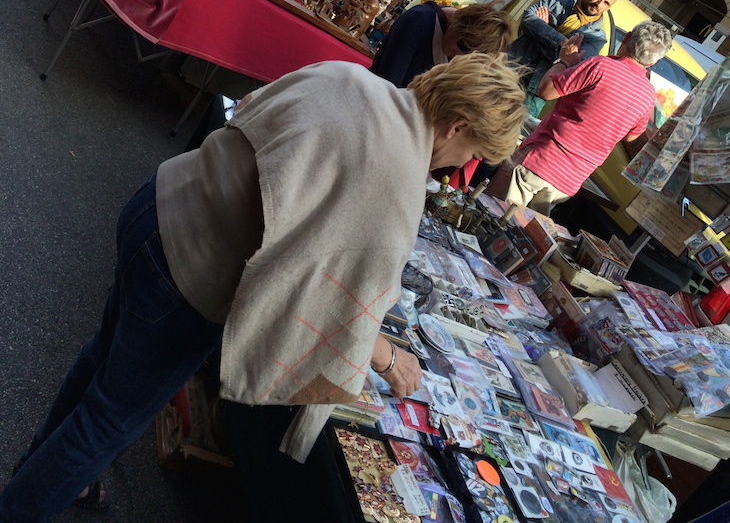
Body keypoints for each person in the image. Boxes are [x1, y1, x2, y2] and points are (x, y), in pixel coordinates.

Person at [0, 54, 525, 520]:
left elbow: (248, 113)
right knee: (107, 421)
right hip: (188, 271)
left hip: (160, 203)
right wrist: (387, 358)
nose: (461, 168)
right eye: (472, 153)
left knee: (102, 360)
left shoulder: (352, 77)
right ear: (457, 127)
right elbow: (335, 296)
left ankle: (40, 471)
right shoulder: (399, 180)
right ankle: (27, 501)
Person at [488, 21, 672, 214]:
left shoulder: (601, 66)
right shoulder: (648, 96)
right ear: (653, 62)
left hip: (540, 160)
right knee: (522, 235)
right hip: (568, 182)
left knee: (491, 215)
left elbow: (546, 90)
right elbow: (631, 137)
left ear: (625, 37)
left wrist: (564, 61)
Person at [509, 0, 619, 117]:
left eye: (606, 3)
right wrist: (562, 42)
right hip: (511, 67)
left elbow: (573, 64)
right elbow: (527, 18)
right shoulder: (555, 1)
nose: (599, 3)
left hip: (535, 91)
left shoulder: (597, 38)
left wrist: (543, 31)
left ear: (608, 8)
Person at [371, 0, 514, 88]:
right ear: (458, 24)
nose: (458, 54)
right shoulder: (419, 21)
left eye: (468, 54)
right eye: (463, 46)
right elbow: (387, 85)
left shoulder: (461, 55)